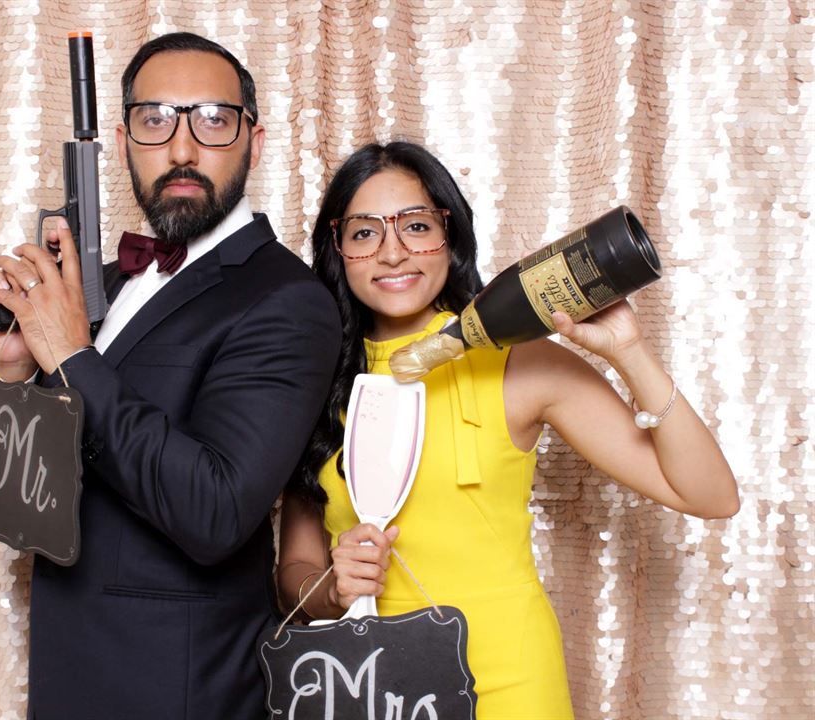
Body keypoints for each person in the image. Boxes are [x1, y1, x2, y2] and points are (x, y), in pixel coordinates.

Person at [276, 141, 739, 718]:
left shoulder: (521, 363)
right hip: (370, 688)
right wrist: (334, 589)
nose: (393, 253)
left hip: (510, 685)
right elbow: (293, 571)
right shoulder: (312, 375)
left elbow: (711, 496)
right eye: (365, 232)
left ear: (452, 237)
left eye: (417, 226)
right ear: (338, 248)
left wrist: (630, 353)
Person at [0, 33, 340, 719]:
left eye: (213, 120)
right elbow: (1, 493)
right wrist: (12, 375)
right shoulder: (96, 287)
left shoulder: (288, 300)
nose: (182, 148)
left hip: (181, 691)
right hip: (68, 680)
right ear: (123, 140)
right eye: (155, 120)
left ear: (253, 143)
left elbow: (215, 511)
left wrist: (73, 359)